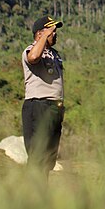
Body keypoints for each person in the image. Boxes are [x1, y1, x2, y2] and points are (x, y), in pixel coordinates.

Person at [21, 15, 65, 177]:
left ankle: (41, 197)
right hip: (39, 106)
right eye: (52, 31)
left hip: (55, 108)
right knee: (37, 157)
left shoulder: (54, 54)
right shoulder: (31, 50)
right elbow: (33, 58)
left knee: (48, 159)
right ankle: (30, 197)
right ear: (40, 34)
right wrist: (45, 36)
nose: (55, 34)